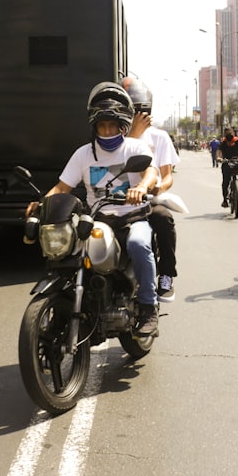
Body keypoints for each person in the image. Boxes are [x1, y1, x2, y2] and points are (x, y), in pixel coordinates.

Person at [27, 82, 161, 336]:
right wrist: (42, 204)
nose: (107, 131)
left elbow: (151, 172)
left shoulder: (134, 148)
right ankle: (66, 306)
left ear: (123, 125)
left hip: (132, 218)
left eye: (112, 125)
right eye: (102, 125)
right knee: (67, 251)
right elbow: (61, 187)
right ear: (94, 126)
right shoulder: (83, 155)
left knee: (139, 244)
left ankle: (147, 307)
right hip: (98, 221)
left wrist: (141, 187)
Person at [122, 77, 180, 302]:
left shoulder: (160, 137)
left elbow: (167, 177)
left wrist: (157, 188)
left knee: (163, 219)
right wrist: (133, 136)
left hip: (147, 201)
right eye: (131, 109)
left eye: (140, 109)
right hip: (115, 202)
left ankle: (166, 274)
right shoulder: (111, 137)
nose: (137, 114)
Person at [217, 127, 238, 207]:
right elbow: (219, 152)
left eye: (230, 133)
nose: (228, 135)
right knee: (225, 183)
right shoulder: (223, 143)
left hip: (237, 161)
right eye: (226, 133)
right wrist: (219, 158)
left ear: (233, 133)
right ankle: (225, 200)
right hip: (227, 162)